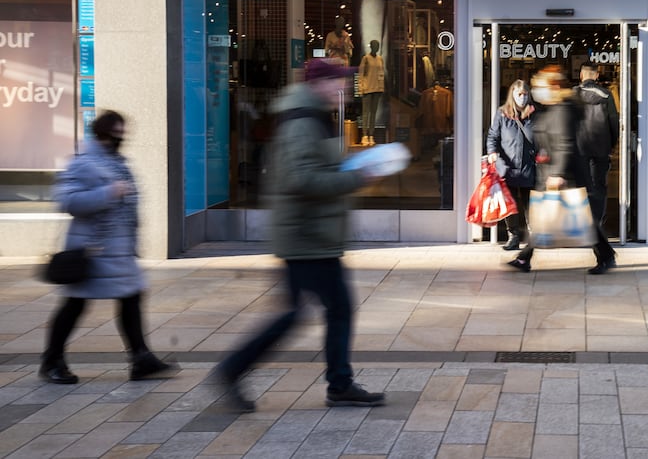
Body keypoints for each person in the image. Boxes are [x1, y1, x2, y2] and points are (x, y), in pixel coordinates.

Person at [213, 58, 388, 413]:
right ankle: (237, 370)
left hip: (312, 233)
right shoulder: (302, 123)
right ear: (319, 84)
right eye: (339, 81)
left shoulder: (313, 117)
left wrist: (349, 168)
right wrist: (357, 177)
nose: (344, 88)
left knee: (315, 310)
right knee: (325, 310)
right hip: (306, 235)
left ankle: (336, 383)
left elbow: (314, 170)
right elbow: (301, 179)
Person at [41, 110, 177, 384]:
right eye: (116, 133)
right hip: (94, 252)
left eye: (122, 133)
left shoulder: (118, 162)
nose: (120, 138)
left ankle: (141, 358)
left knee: (131, 298)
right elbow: (67, 201)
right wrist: (108, 193)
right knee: (75, 305)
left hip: (119, 251)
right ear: (103, 134)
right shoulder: (84, 163)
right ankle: (52, 361)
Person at [507, 66, 610, 275]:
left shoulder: (562, 109)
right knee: (555, 218)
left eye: (540, 86)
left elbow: (565, 143)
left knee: (564, 218)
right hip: (554, 172)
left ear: (553, 86)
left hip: (564, 175)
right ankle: (524, 258)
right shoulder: (553, 108)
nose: (537, 91)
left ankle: (524, 258)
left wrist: (558, 174)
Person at [574, 62, 620, 274]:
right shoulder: (606, 95)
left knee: (582, 190)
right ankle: (597, 220)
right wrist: (612, 144)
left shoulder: (574, 94)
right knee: (599, 188)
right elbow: (613, 121)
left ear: (582, 74)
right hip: (600, 149)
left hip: (580, 149)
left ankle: (588, 227)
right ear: (597, 74)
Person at [486, 80, 536, 251]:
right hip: (509, 167)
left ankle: (533, 237)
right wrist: (492, 152)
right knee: (511, 204)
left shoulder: (534, 113)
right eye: (519, 94)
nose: (522, 98)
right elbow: (493, 135)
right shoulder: (502, 113)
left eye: (525, 94)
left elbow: (540, 138)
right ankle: (513, 236)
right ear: (512, 95)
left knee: (531, 205)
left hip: (530, 166)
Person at [358, 39, 385, 146]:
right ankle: (364, 135)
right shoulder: (366, 58)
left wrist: (382, 87)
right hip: (367, 89)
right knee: (366, 113)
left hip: (377, 89)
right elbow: (360, 74)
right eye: (374, 45)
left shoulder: (380, 59)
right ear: (371, 47)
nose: (376, 47)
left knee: (373, 113)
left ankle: (371, 135)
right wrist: (361, 88)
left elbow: (381, 74)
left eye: (377, 46)